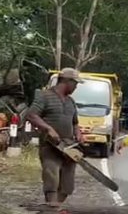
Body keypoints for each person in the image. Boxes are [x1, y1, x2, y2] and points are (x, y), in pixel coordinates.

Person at [26, 67, 85, 205]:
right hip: (50, 146)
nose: (76, 87)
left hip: (69, 148)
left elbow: (75, 123)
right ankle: (51, 207)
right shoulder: (45, 96)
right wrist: (48, 129)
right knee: (52, 180)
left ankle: (57, 209)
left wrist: (78, 133)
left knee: (67, 185)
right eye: (75, 83)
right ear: (66, 81)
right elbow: (31, 115)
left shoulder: (71, 102)